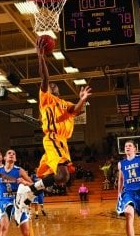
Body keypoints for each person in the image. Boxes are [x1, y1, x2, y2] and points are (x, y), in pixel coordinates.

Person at [16, 36, 92, 207]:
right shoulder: (46, 99)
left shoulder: (64, 104)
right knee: (63, 175)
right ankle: (29, 192)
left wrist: (82, 99)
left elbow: (76, 110)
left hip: (62, 141)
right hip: (52, 138)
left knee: (62, 178)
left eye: (54, 85)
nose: (53, 85)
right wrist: (41, 56)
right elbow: (44, 78)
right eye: (51, 85)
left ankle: (28, 193)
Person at [0, 149, 33, 236]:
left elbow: (33, 185)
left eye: (14, 154)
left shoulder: (19, 170)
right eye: (9, 153)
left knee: (26, 232)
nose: (11, 154)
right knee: (4, 228)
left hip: (18, 202)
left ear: (15, 159)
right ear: (4, 158)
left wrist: (25, 183)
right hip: (4, 201)